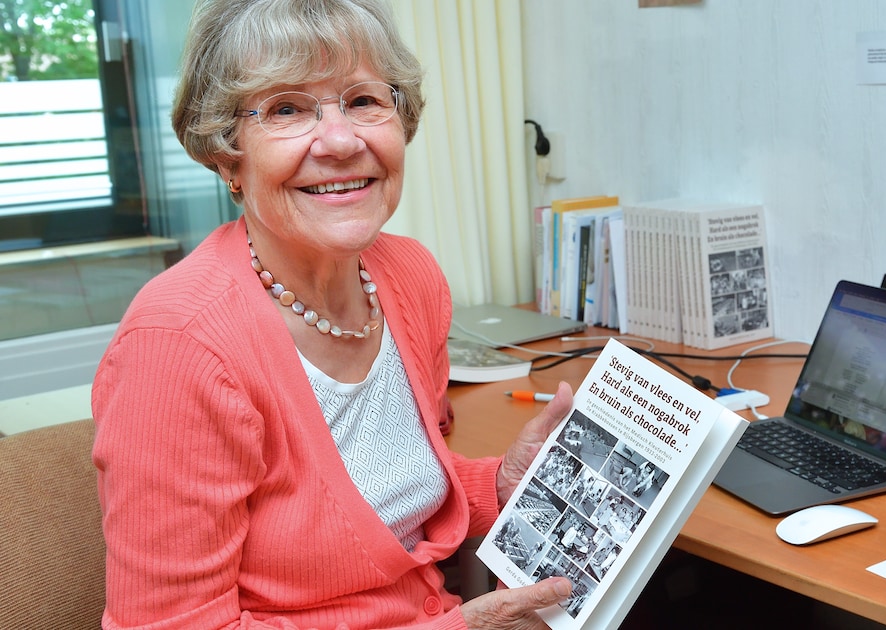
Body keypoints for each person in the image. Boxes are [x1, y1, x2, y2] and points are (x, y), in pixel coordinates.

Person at [90, 1, 573, 628]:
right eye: (286, 109)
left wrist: (500, 483)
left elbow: (386, 490)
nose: (343, 141)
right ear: (227, 155)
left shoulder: (410, 277)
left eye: (364, 100)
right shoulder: (177, 344)